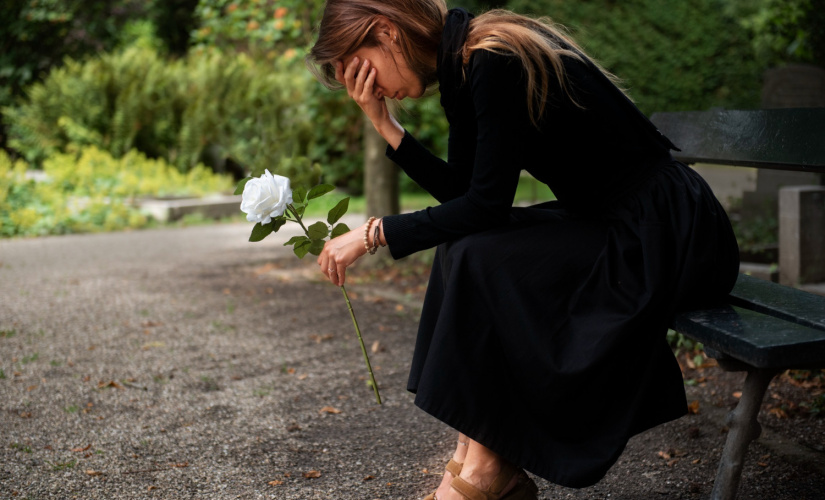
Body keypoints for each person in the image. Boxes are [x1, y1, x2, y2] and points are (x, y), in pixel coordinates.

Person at [308, 1, 740, 499]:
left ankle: (489, 470)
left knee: (480, 254)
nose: (369, 88)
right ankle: (476, 458)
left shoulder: (494, 58)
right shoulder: (465, 65)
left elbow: (485, 205)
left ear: (386, 31)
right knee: (463, 248)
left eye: (363, 71)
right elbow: (464, 196)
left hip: (667, 231)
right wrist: (386, 125)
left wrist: (373, 234)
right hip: (613, 219)